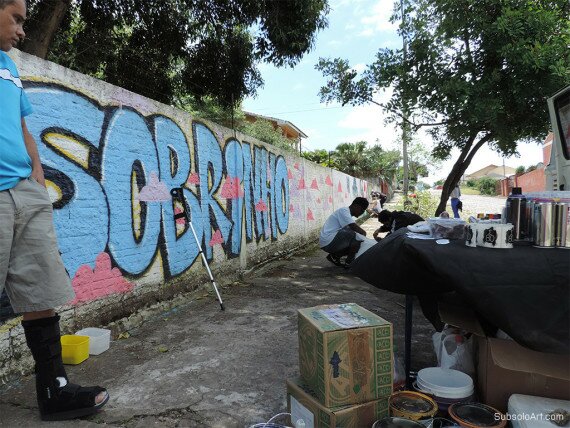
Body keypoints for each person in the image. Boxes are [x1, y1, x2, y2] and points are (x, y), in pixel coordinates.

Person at [0, 0, 109, 420]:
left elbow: (23, 126)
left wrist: (37, 181)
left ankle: (54, 390)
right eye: (17, 19)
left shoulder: (10, 68)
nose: (22, 31)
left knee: (41, 292)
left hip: (26, 191)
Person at [320, 197, 369, 268]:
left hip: (329, 241)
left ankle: (334, 256)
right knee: (356, 236)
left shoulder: (346, 213)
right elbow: (354, 227)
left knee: (357, 240)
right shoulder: (343, 211)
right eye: (362, 211)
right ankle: (349, 262)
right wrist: (364, 234)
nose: (362, 213)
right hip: (328, 241)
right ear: (356, 206)